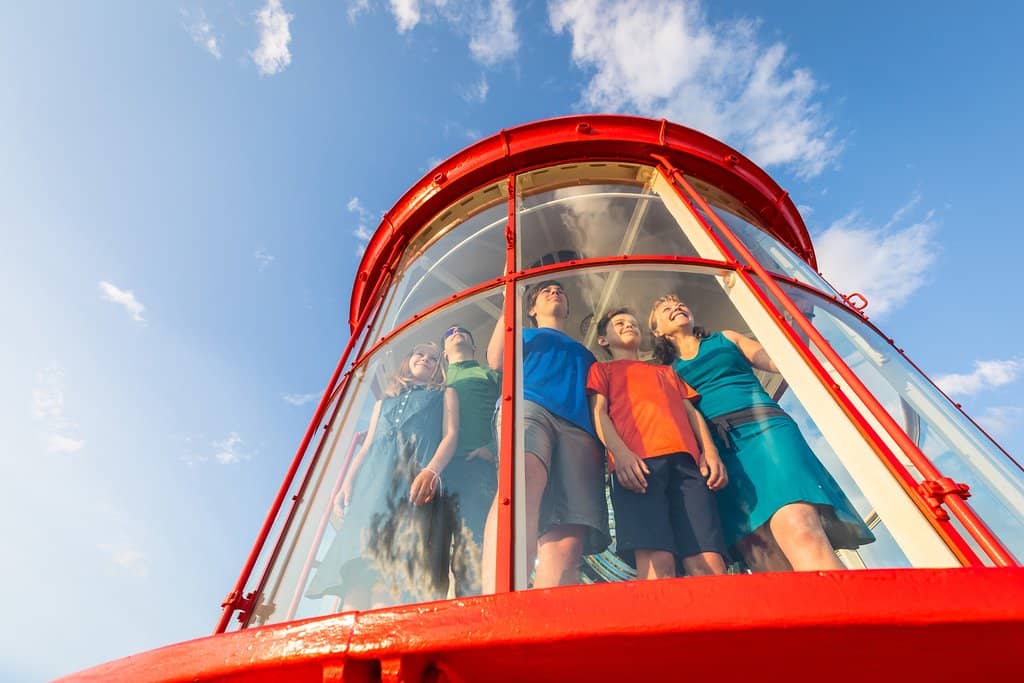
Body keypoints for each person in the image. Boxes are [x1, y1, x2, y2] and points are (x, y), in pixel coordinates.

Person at [649, 294, 874, 572]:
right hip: (718, 452)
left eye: (680, 303)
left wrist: (799, 320)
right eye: (665, 309)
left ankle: (845, 598)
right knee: (762, 551)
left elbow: (778, 361)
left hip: (766, 428)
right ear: (657, 331)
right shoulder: (664, 373)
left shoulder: (727, 339)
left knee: (799, 524)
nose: (676, 307)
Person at [305, 342, 459, 609]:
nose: (426, 359)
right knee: (355, 570)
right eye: (419, 353)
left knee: (389, 573)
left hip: (409, 483)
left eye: (434, 358)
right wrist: (346, 483)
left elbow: (451, 435)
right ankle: (350, 631)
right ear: (408, 359)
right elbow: (366, 447)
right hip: (371, 484)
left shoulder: (445, 395)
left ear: (439, 368)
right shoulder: (382, 403)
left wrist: (432, 470)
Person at [484, 280, 610, 589]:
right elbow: (497, 360)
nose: (555, 292)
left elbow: (598, 402)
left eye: (561, 290)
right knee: (521, 485)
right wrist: (511, 298)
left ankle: (545, 605)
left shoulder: (586, 354)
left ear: (567, 309)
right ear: (531, 308)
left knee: (571, 525)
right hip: (530, 406)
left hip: (580, 428)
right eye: (546, 291)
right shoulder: (524, 335)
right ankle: (501, 593)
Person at [587, 308, 729, 579]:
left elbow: (692, 413)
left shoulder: (666, 372)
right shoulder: (601, 370)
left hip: (687, 465)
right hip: (638, 466)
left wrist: (709, 451)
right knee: (657, 561)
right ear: (603, 340)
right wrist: (620, 454)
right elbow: (599, 413)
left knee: (708, 562)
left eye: (633, 323)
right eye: (619, 323)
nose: (628, 325)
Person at [441, 324, 500, 596]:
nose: (456, 331)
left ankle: (478, 603)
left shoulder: (489, 373)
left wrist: (493, 448)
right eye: (449, 332)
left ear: (474, 346)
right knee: (439, 544)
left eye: (463, 330)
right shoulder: (438, 381)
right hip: (439, 471)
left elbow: (510, 408)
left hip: (476, 464)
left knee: (474, 538)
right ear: (443, 352)